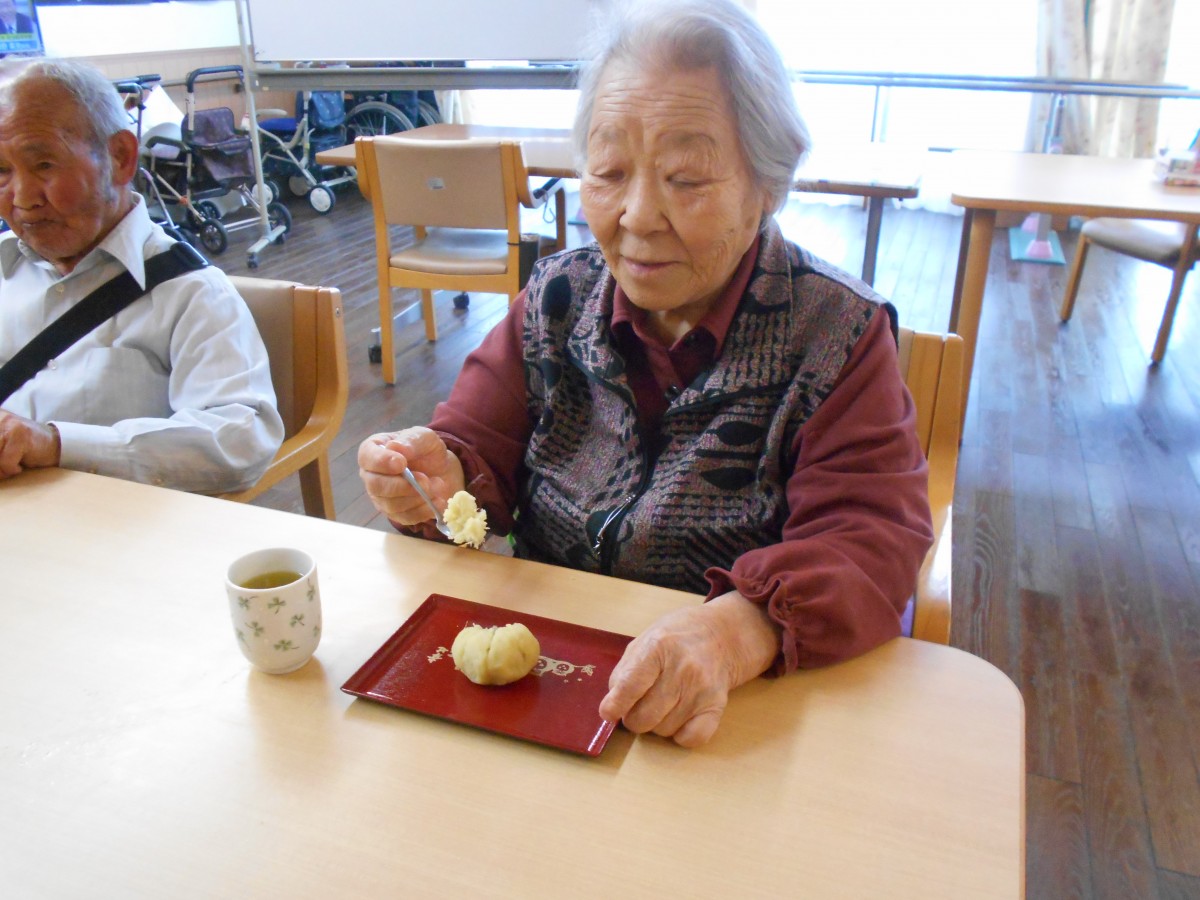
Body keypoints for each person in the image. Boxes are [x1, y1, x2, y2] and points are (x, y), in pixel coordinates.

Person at [358, 0, 933, 747]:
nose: (636, 216)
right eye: (609, 172)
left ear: (767, 185)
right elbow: (471, 443)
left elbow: (869, 537)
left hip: (727, 716)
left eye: (685, 178)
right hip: (548, 685)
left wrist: (737, 631)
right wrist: (437, 477)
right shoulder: (558, 299)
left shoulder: (834, 333)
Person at [0, 59, 283, 491]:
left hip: (113, 520)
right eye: (1, 171)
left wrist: (56, 444)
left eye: (44, 165)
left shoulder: (191, 293)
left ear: (120, 157)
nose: (22, 198)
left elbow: (241, 439)